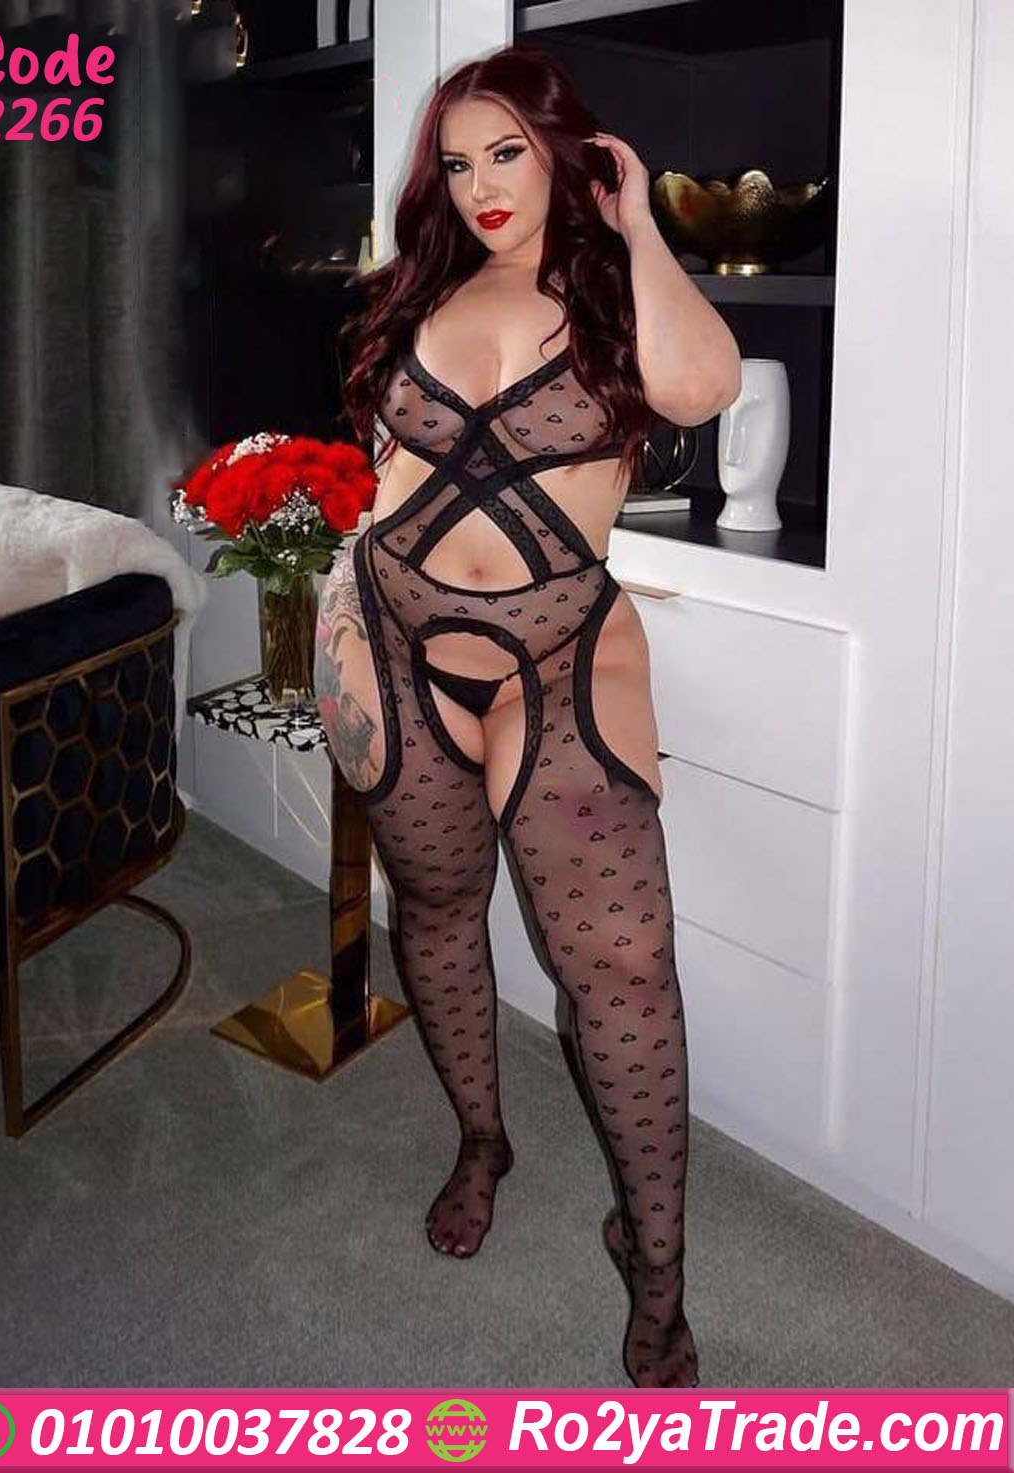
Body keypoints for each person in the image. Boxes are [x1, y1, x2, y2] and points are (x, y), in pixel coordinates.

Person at [313, 44, 740, 1389]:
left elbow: (700, 389)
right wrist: (339, 612)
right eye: (457, 162)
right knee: (438, 909)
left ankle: (657, 1266)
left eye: (507, 152)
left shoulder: (616, 296)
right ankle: (482, 1140)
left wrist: (642, 224)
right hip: (393, 638)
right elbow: (382, 465)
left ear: (565, 151)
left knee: (621, 965)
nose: (482, 185)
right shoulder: (423, 287)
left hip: (557, 654)